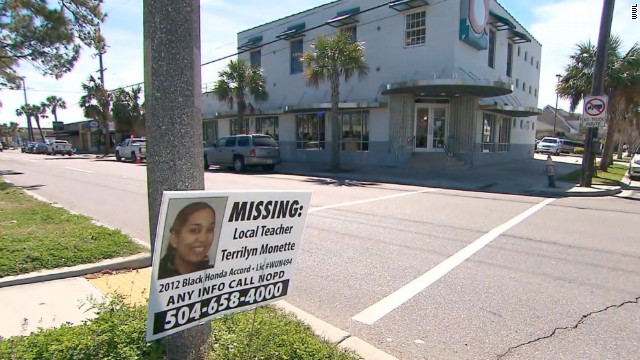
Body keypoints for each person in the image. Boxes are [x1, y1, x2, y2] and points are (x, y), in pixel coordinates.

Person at [158, 202, 217, 279]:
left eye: (210, 229)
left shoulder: (215, 276)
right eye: (195, 230)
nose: (203, 239)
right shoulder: (156, 277)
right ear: (175, 239)